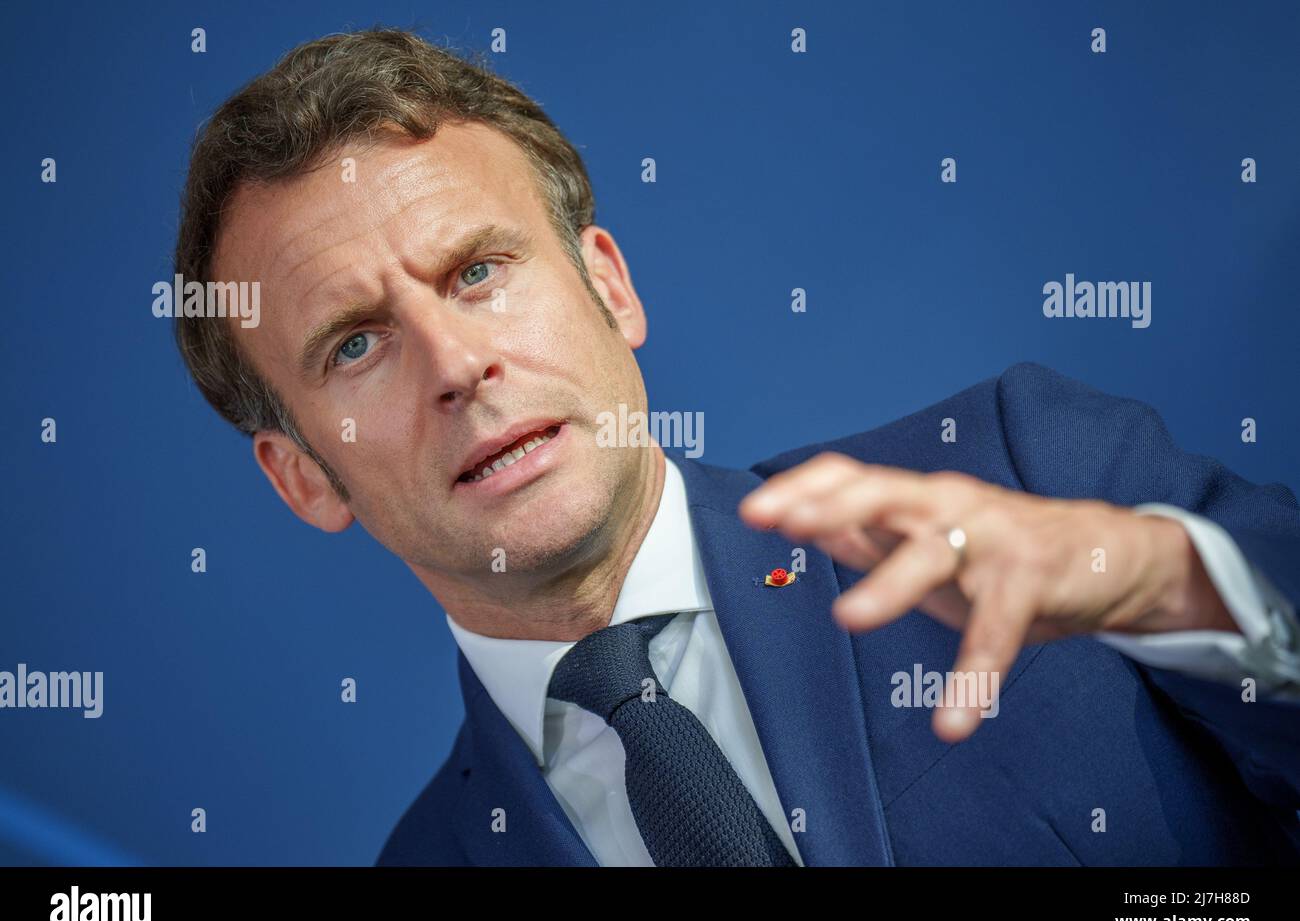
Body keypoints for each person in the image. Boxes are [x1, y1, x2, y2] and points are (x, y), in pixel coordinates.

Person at [171, 28, 1300, 866]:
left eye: (477, 271)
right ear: (303, 474)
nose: (455, 364)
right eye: (356, 343)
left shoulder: (1022, 465)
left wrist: (1165, 585)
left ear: (608, 287)